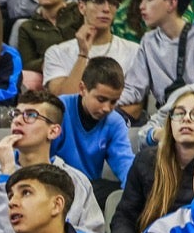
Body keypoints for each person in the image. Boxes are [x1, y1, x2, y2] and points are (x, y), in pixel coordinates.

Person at [0, 91, 104, 233]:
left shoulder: (76, 180)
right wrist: (7, 175)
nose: (17, 120)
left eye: (30, 115)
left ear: (53, 131)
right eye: (16, 114)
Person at [109, 86, 194, 233]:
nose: (186, 119)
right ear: (169, 122)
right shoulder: (147, 160)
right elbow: (125, 214)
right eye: (179, 113)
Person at [48, 57, 135, 202]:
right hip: (54, 185)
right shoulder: (58, 110)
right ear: (82, 89)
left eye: (113, 101)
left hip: (89, 189)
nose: (107, 108)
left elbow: (125, 163)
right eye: (101, 99)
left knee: (128, 190)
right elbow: (41, 156)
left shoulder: (115, 122)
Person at [42, 0, 140, 98]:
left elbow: (135, 106)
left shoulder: (134, 51)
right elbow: (64, 101)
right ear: (82, 7)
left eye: (113, 3)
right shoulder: (56, 53)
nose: (106, 9)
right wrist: (83, 54)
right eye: (98, 1)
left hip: (120, 118)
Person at [15, 0, 82, 87]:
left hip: (82, 69)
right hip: (48, 76)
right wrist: (49, 62)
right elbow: (27, 63)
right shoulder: (28, 27)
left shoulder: (79, 14)